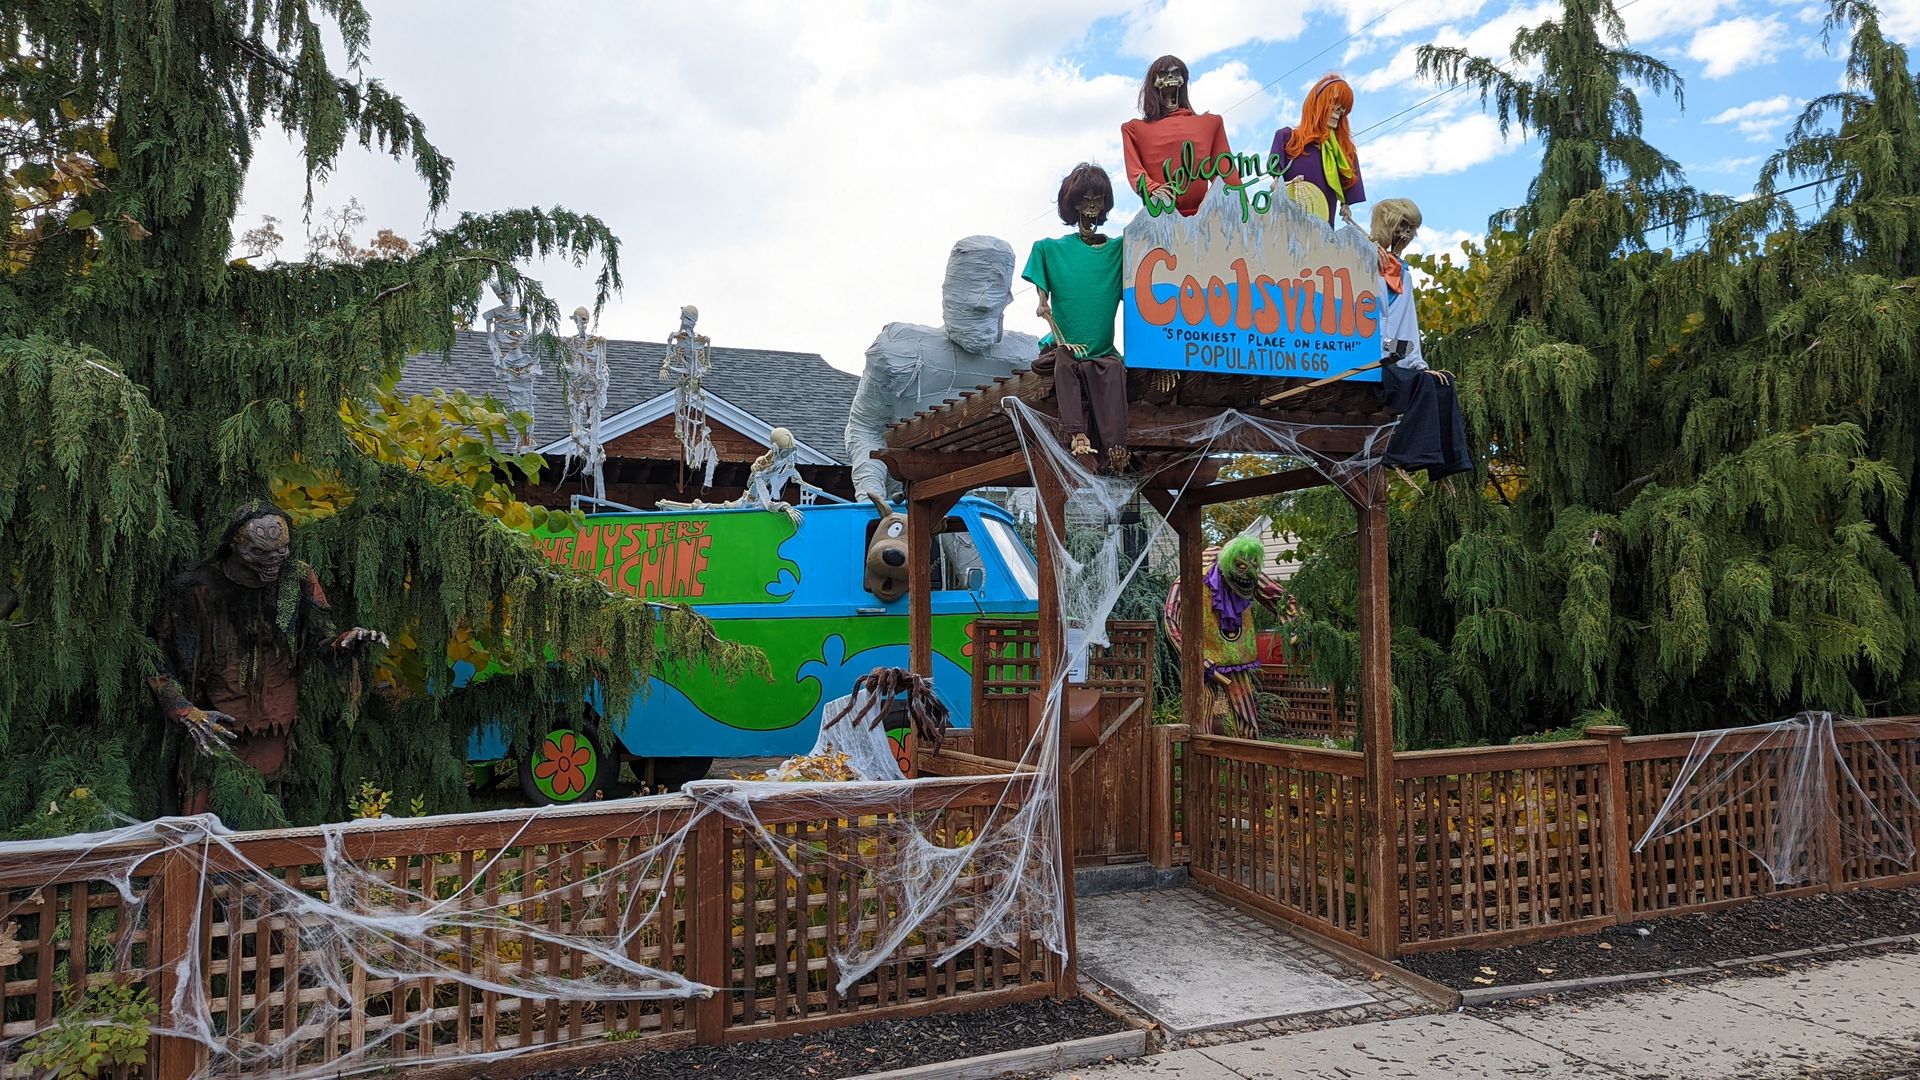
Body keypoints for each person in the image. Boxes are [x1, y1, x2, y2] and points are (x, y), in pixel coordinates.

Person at [149, 503, 386, 816]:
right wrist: (185, 710)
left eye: (282, 550)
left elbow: (320, 639)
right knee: (203, 817)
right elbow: (158, 659)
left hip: (274, 721)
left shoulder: (297, 577)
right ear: (236, 546)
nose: (274, 560)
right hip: (212, 721)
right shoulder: (197, 589)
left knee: (264, 813)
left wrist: (346, 642)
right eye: (261, 553)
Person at [1024, 163, 1128, 471]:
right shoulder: (1050, 249)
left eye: (1098, 198)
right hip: (1064, 347)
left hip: (1103, 351)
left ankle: (1115, 450)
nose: (1092, 205)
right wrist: (1052, 321)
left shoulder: (1118, 250)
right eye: (1085, 198)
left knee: (1113, 372)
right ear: (1073, 203)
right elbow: (1042, 306)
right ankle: (1077, 433)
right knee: (1065, 362)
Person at [1370, 198, 1474, 485]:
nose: (1405, 235)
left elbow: (1404, 329)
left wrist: (1417, 363)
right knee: (1415, 384)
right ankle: (1404, 455)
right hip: (1361, 356)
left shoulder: (1401, 272)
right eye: (1402, 227)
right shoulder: (1357, 258)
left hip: (1386, 355)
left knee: (1440, 382)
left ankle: (1447, 465)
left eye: (1410, 229)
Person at [1121, 55, 1240, 217]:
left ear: (1183, 79)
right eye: (1163, 74)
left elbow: (1227, 173)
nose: (1170, 77)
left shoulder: (1211, 123)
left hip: (1205, 217)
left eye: (1176, 73)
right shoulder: (1134, 129)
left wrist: (1245, 211)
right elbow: (1136, 172)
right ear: (1154, 82)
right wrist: (1152, 187)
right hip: (1161, 216)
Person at [1270, 74, 1365, 228]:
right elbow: (1276, 178)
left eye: (1343, 109)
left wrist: (1346, 205)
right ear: (1317, 104)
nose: (1338, 112)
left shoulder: (1344, 154)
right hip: (1287, 224)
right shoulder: (1287, 137)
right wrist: (1278, 183)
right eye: (1334, 104)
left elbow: (1348, 195)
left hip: (1323, 231)